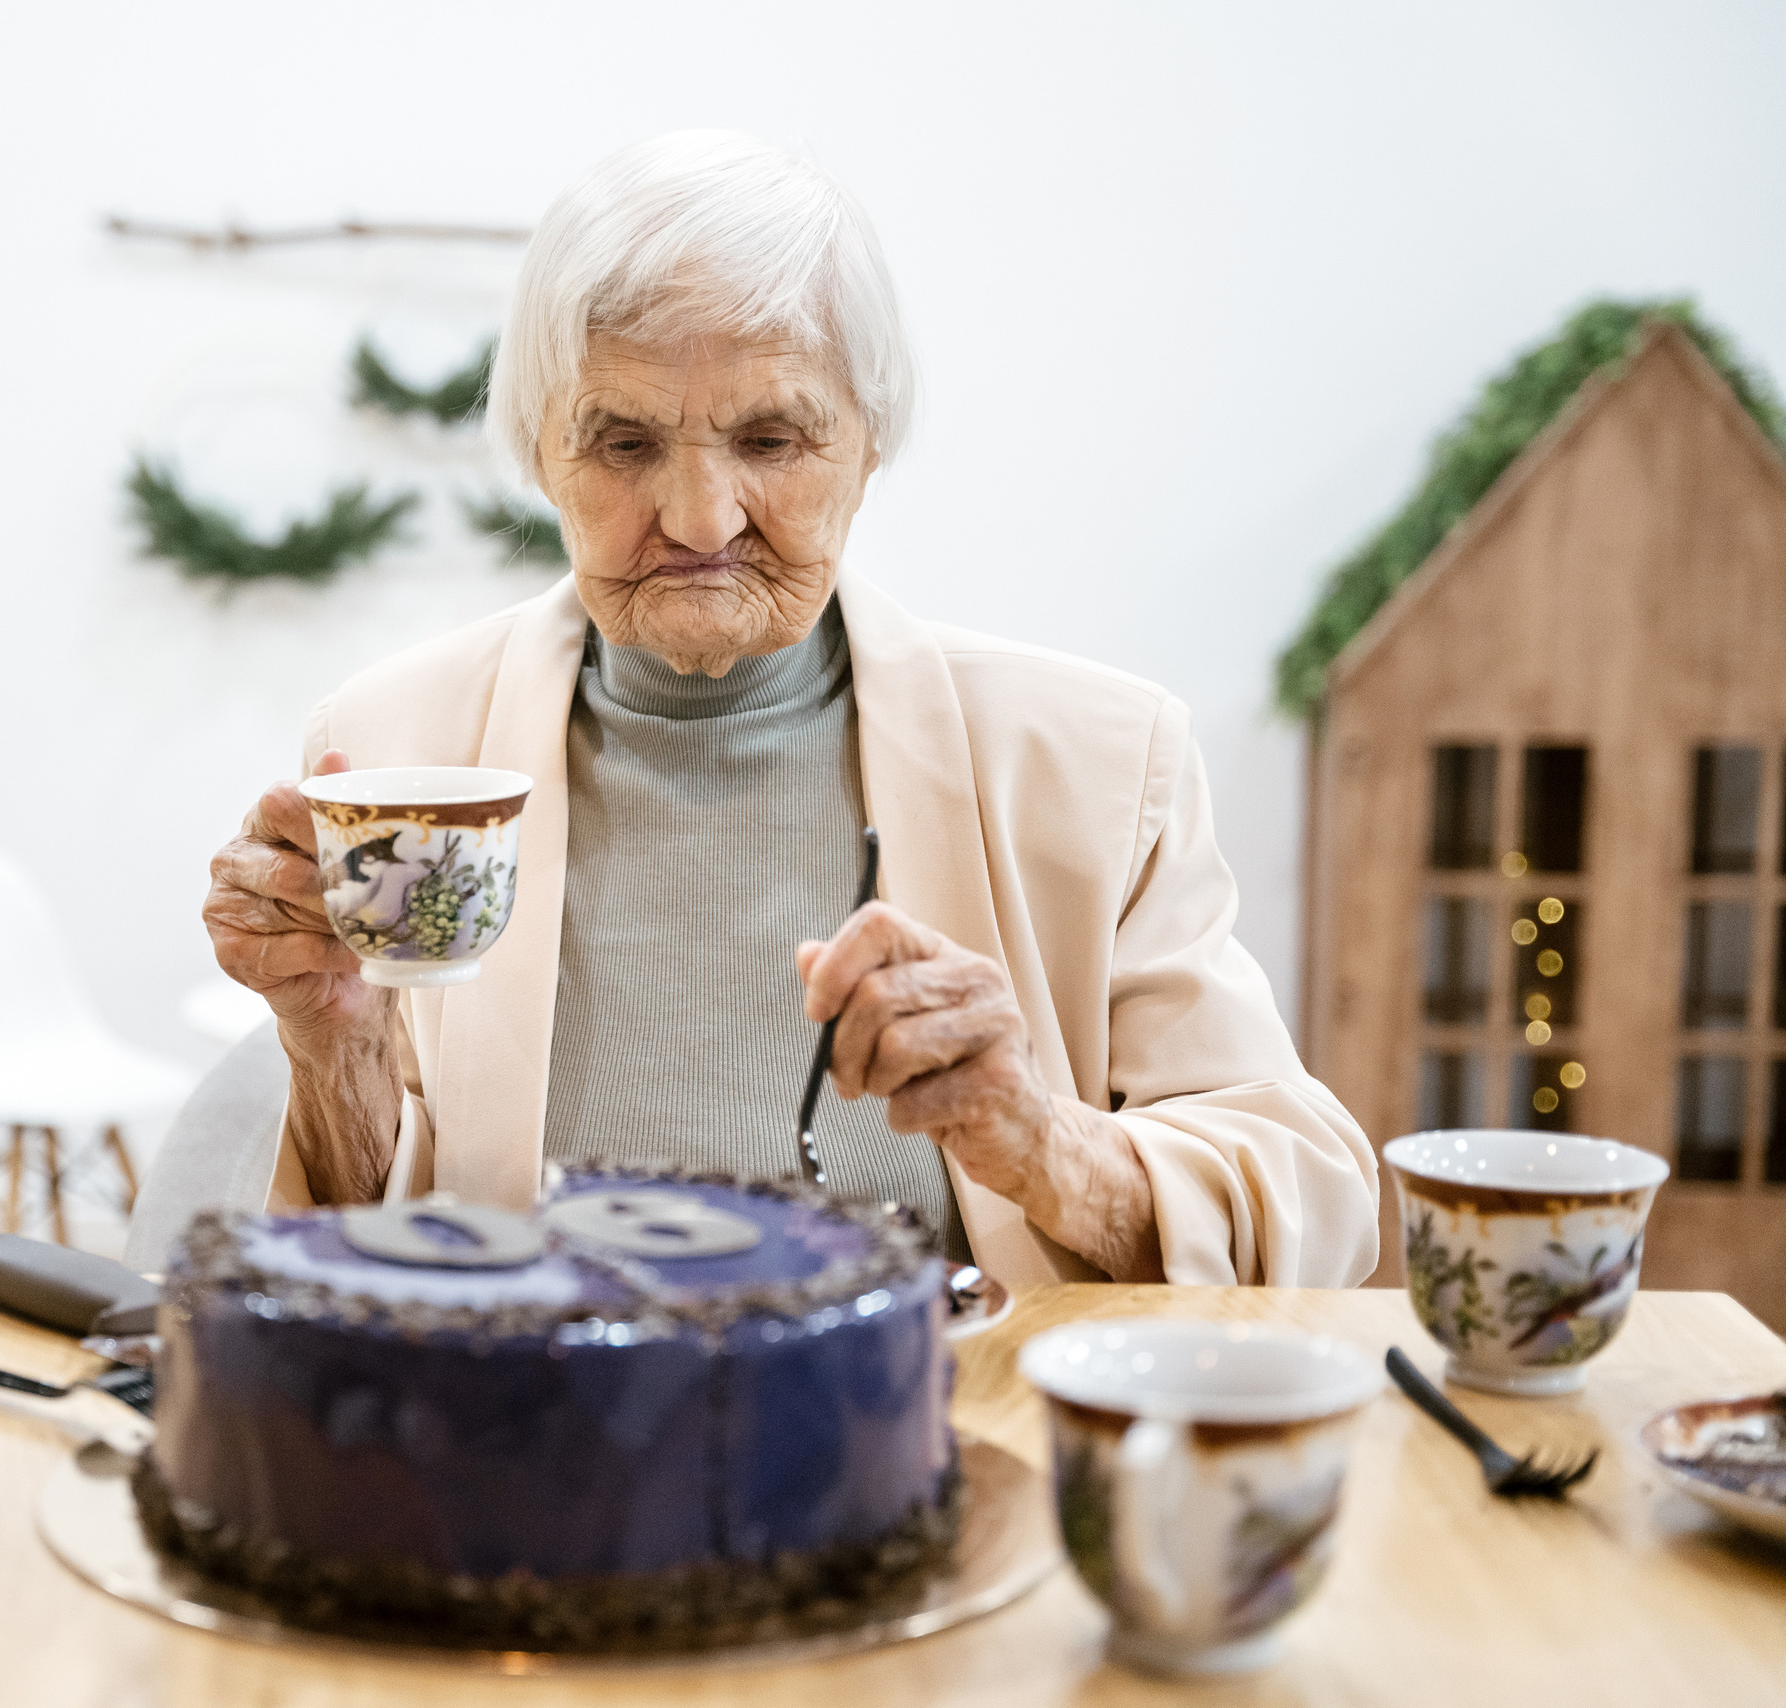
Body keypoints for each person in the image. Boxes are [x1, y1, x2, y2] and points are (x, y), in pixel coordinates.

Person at [203, 131, 1376, 1287]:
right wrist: (332, 1045)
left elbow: (1310, 1200)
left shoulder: (1099, 765)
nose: (702, 518)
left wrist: (1040, 1139)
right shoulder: (396, 754)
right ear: (537, 453)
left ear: (868, 449)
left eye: (771, 437)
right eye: (622, 441)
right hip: (544, 1444)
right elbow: (379, 1265)